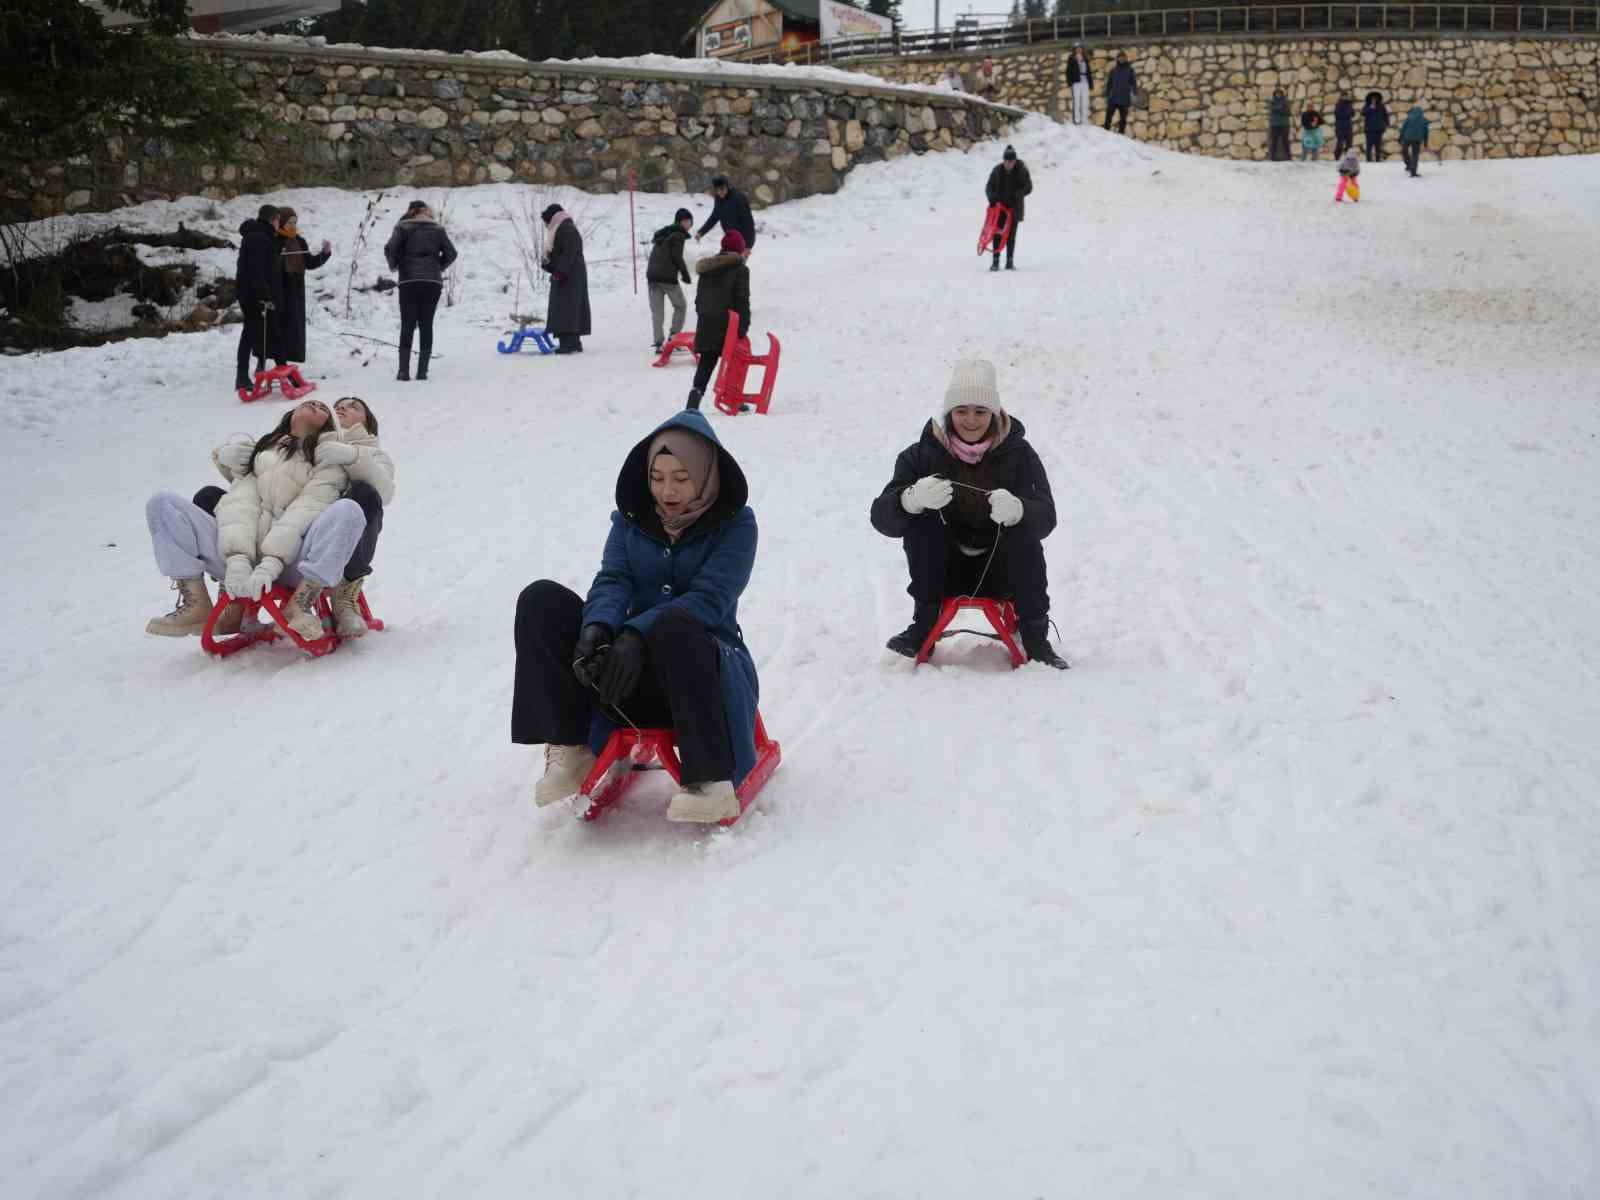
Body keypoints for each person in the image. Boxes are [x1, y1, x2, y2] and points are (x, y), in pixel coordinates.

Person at [512, 410, 762, 824]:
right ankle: (571, 745)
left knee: (677, 623)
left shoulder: (736, 525)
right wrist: (599, 629)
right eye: (657, 477)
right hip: (627, 675)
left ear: (705, 474)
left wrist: (635, 635)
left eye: (682, 478)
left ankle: (710, 781)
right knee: (541, 600)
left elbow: (709, 599)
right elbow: (614, 579)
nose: (667, 491)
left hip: (702, 673)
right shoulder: (631, 522)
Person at [869, 359, 1068, 670]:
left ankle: (1035, 637)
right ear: (949, 413)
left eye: (980, 411)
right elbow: (882, 518)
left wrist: (1021, 510)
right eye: (962, 411)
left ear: (994, 413)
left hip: (1002, 572)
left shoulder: (1020, 455)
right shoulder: (920, 455)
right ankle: (924, 626)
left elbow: (1046, 518)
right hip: (942, 573)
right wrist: (909, 500)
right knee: (923, 519)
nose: (971, 420)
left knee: (1023, 530)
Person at [144, 399, 366, 644]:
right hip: (238, 560)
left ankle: (300, 603)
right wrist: (238, 559)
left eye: (324, 408)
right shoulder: (260, 451)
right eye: (309, 403)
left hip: (294, 565)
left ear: (329, 425)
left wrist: (270, 563)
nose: (315, 405)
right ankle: (195, 602)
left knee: (349, 511)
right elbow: (240, 505)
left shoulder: (328, 459)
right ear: (291, 413)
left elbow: (306, 509)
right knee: (162, 503)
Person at [188, 397, 395, 638]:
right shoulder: (296, 439)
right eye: (338, 405)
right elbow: (259, 488)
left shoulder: (370, 452)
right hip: (276, 530)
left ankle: (344, 592)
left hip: (320, 538)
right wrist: (225, 458)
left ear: (369, 424)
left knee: (363, 496)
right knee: (211, 498)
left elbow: (385, 492)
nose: (342, 407)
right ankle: (231, 590)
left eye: (354, 406)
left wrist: (353, 457)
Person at [383, 200, 457, 380]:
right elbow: (452, 253)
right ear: (426, 212)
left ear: (410, 212)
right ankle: (422, 371)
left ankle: (403, 371)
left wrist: (394, 266)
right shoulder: (438, 229)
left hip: (409, 279)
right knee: (426, 324)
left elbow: (391, 249)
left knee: (407, 324)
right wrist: (437, 267)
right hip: (432, 282)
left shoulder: (402, 227)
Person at [686, 229, 751, 411]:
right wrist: (742, 327)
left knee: (707, 359)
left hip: (707, 321)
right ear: (739, 250)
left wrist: (704, 315)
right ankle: (732, 399)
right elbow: (742, 300)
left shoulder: (708, 269)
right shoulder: (740, 270)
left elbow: (699, 300)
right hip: (728, 323)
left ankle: (694, 398)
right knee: (734, 359)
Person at [269, 205, 332, 367]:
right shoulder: (274, 240)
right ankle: (265, 362)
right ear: (281, 222)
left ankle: (285, 363)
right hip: (278, 290)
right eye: (290, 222)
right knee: (275, 326)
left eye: (295, 222)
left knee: (292, 328)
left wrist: (324, 254)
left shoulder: (299, 241)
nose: (293, 226)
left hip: (295, 291)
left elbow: (309, 263)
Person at [234, 204, 280, 393]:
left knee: (259, 329)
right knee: (250, 331)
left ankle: (259, 368)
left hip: (250, 290)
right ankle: (242, 376)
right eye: (278, 220)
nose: (279, 224)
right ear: (272, 219)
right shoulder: (259, 237)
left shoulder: (259, 235)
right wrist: (264, 295)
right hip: (252, 293)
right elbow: (256, 270)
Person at [540, 202, 591, 355]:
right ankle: (573, 342)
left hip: (569, 276)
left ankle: (568, 344)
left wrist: (559, 273)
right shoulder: (564, 227)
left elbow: (569, 253)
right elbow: (562, 254)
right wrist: (548, 265)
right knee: (569, 308)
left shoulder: (566, 229)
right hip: (570, 275)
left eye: (546, 222)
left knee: (565, 308)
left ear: (552, 219)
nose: (546, 226)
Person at [646, 207, 694, 353]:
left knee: (657, 312)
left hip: (652, 276)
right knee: (681, 306)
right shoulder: (678, 234)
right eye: (690, 222)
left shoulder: (664, 233)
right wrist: (685, 273)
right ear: (684, 221)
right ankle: (674, 337)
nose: (691, 225)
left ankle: (659, 343)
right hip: (667, 278)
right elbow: (676, 256)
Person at [984, 145, 1033, 273]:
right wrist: (992, 198)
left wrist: (1018, 194)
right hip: (999, 207)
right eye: (1006, 161)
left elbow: (1028, 187)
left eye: (1011, 161)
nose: (1009, 164)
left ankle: (1009, 261)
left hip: (1014, 207)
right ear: (1003, 160)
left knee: (1011, 235)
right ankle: (995, 261)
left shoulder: (1021, 170)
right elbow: (989, 187)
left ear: (1015, 161)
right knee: (997, 233)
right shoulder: (997, 170)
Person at [695, 174, 756, 253]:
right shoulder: (718, 199)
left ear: (727, 187)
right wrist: (701, 232)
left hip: (742, 241)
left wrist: (748, 246)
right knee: (724, 263)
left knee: (735, 264)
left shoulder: (738, 199)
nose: (720, 192)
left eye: (722, 189)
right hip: (730, 239)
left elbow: (748, 223)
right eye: (717, 190)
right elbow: (714, 217)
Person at [1104, 53, 1136, 135]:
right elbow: (1109, 83)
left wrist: (1134, 92)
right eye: (1120, 58)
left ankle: (1121, 134)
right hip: (1113, 96)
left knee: (1123, 118)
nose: (1121, 59)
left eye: (1123, 58)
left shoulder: (1130, 70)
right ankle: (1105, 131)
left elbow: (1133, 83)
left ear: (1125, 59)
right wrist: (1107, 93)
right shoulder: (1113, 70)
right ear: (1117, 59)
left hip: (1124, 97)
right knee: (1108, 115)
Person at [1399, 100, 1430, 177]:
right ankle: (1413, 171)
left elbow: (1403, 128)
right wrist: (1426, 143)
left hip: (1407, 137)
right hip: (1417, 139)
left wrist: (1400, 137)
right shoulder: (1425, 120)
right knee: (1415, 155)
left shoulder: (1409, 117)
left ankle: (1408, 164)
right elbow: (1426, 133)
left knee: (1404, 151)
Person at [1066, 44, 1092, 126]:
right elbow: (1068, 71)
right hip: (1076, 81)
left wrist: (1091, 83)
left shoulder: (1085, 58)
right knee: (1077, 101)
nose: (1079, 50)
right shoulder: (1072, 58)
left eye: (1080, 48)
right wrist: (1070, 82)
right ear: (1075, 50)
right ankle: (1077, 119)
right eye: (1077, 48)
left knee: (1085, 101)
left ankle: (1084, 119)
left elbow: (1089, 72)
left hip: (1085, 81)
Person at [1362, 91, 1390, 162]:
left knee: (1378, 146)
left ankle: (1378, 159)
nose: (1374, 99)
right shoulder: (1367, 105)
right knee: (1369, 146)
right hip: (1369, 130)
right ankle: (1369, 160)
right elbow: (1363, 113)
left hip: (1379, 129)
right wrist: (1370, 108)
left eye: (1375, 98)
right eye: (1373, 98)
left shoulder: (1381, 106)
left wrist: (1387, 124)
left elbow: (1385, 115)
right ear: (1370, 99)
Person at [1268, 89, 1293, 161]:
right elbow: (1272, 110)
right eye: (1276, 93)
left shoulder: (1285, 102)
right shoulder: (1272, 102)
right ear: (1274, 94)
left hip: (1284, 124)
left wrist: (1279, 109)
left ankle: (1288, 157)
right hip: (1274, 124)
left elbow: (1288, 112)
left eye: (1279, 93)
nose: (1278, 95)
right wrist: (1281, 108)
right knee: (1274, 141)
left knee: (1285, 141)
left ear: (1281, 94)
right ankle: (1272, 157)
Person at [1333, 91, 1357, 160]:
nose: (1345, 97)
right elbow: (1337, 114)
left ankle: (1348, 158)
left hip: (1348, 127)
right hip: (1340, 127)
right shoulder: (1338, 104)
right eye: (1343, 96)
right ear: (1341, 96)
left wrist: (1350, 107)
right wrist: (1347, 113)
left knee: (1349, 144)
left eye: (1346, 96)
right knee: (1340, 144)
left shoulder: (1349, 104)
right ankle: (1337, 158)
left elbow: (1353, 114)